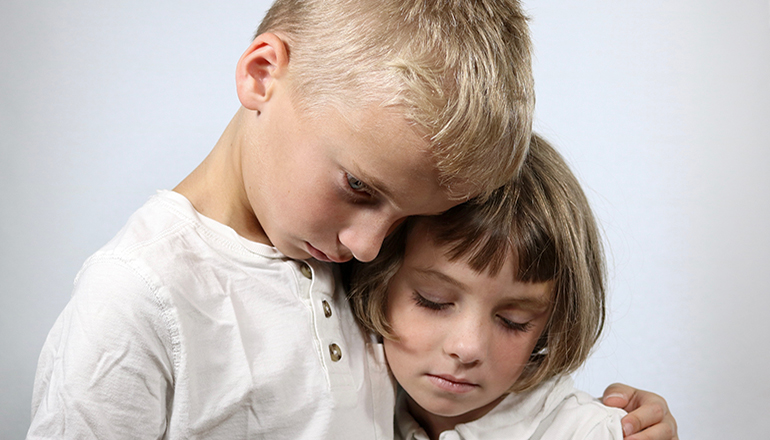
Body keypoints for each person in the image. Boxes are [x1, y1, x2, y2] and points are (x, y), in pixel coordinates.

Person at [27, 1, 676, 439]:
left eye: (405, 219)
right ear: (261, 76)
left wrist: (592, 423)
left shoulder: (338, 253)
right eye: (359, 186)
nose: (369, 247)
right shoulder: (137, 294)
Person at [349, 134, 629, 439]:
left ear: (550, 322)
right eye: (434, 301)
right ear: (378, 280)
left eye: (514, 322)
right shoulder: (354, 412)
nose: (467, 348)